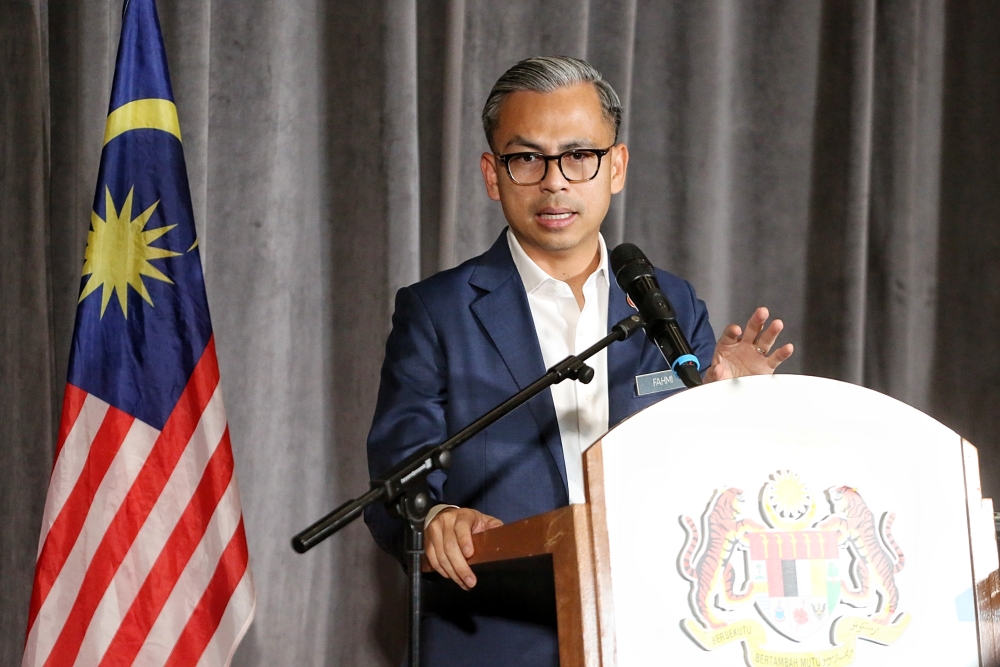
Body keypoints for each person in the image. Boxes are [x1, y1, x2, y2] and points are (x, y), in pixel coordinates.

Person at [364, 56, 792, 666]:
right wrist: (435, 517)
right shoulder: (436, 312)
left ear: (615, 166)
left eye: (578, 156)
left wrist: (725, 408)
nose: (555, 181)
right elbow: (396, 480)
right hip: (496, 638)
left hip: (656, 634)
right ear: (492, 174)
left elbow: (714, 498)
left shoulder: (665, 304)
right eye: (526, 158)